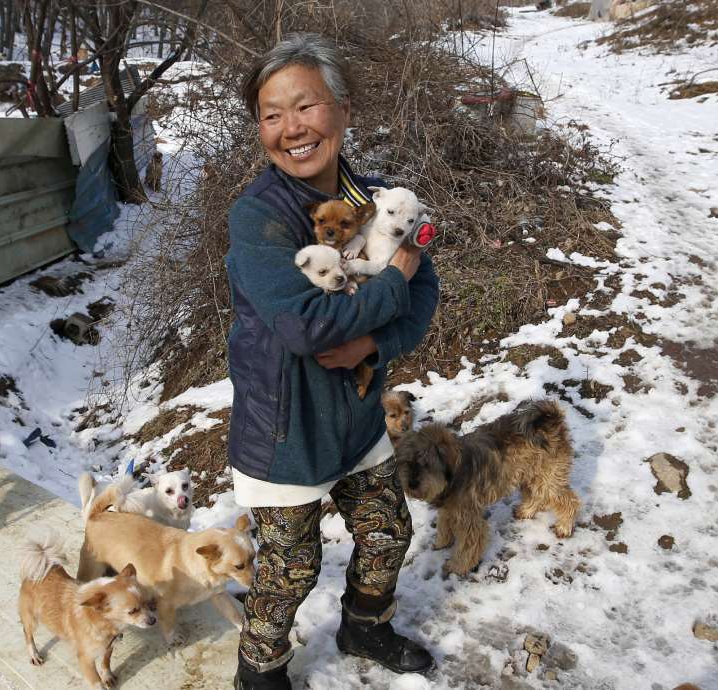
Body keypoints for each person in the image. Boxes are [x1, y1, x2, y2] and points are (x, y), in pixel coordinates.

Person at [224, 33, 440, 690]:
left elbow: (425, 291)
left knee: (388, 532)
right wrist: (393, 281)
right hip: (284, 431)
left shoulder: (378, 201)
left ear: (343, 110)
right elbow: (302, 326)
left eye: (305, 106)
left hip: (356, 412)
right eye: (271, 114)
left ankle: (365, 627)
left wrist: (373, 344)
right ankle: (260, 672)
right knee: (289, 570)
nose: (290, 128)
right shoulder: (258, 218)